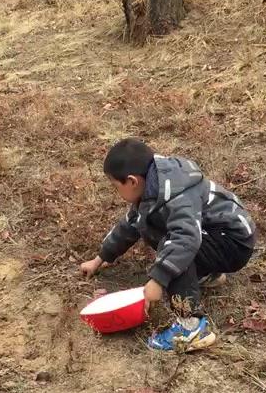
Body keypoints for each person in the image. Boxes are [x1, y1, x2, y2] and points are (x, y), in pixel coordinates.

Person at [80, 138, 256, 353]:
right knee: (156, 228)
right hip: (212, 235)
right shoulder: (153, 185)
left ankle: (190, 327)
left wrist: (159, 280)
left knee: (172, 243)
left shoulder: (176, 194)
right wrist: (101, 258)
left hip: (233, 242)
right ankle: (206, 275)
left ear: (132, 181)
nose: (116, 192)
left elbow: (185, 239)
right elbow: (131, 224)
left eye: (115, 186)